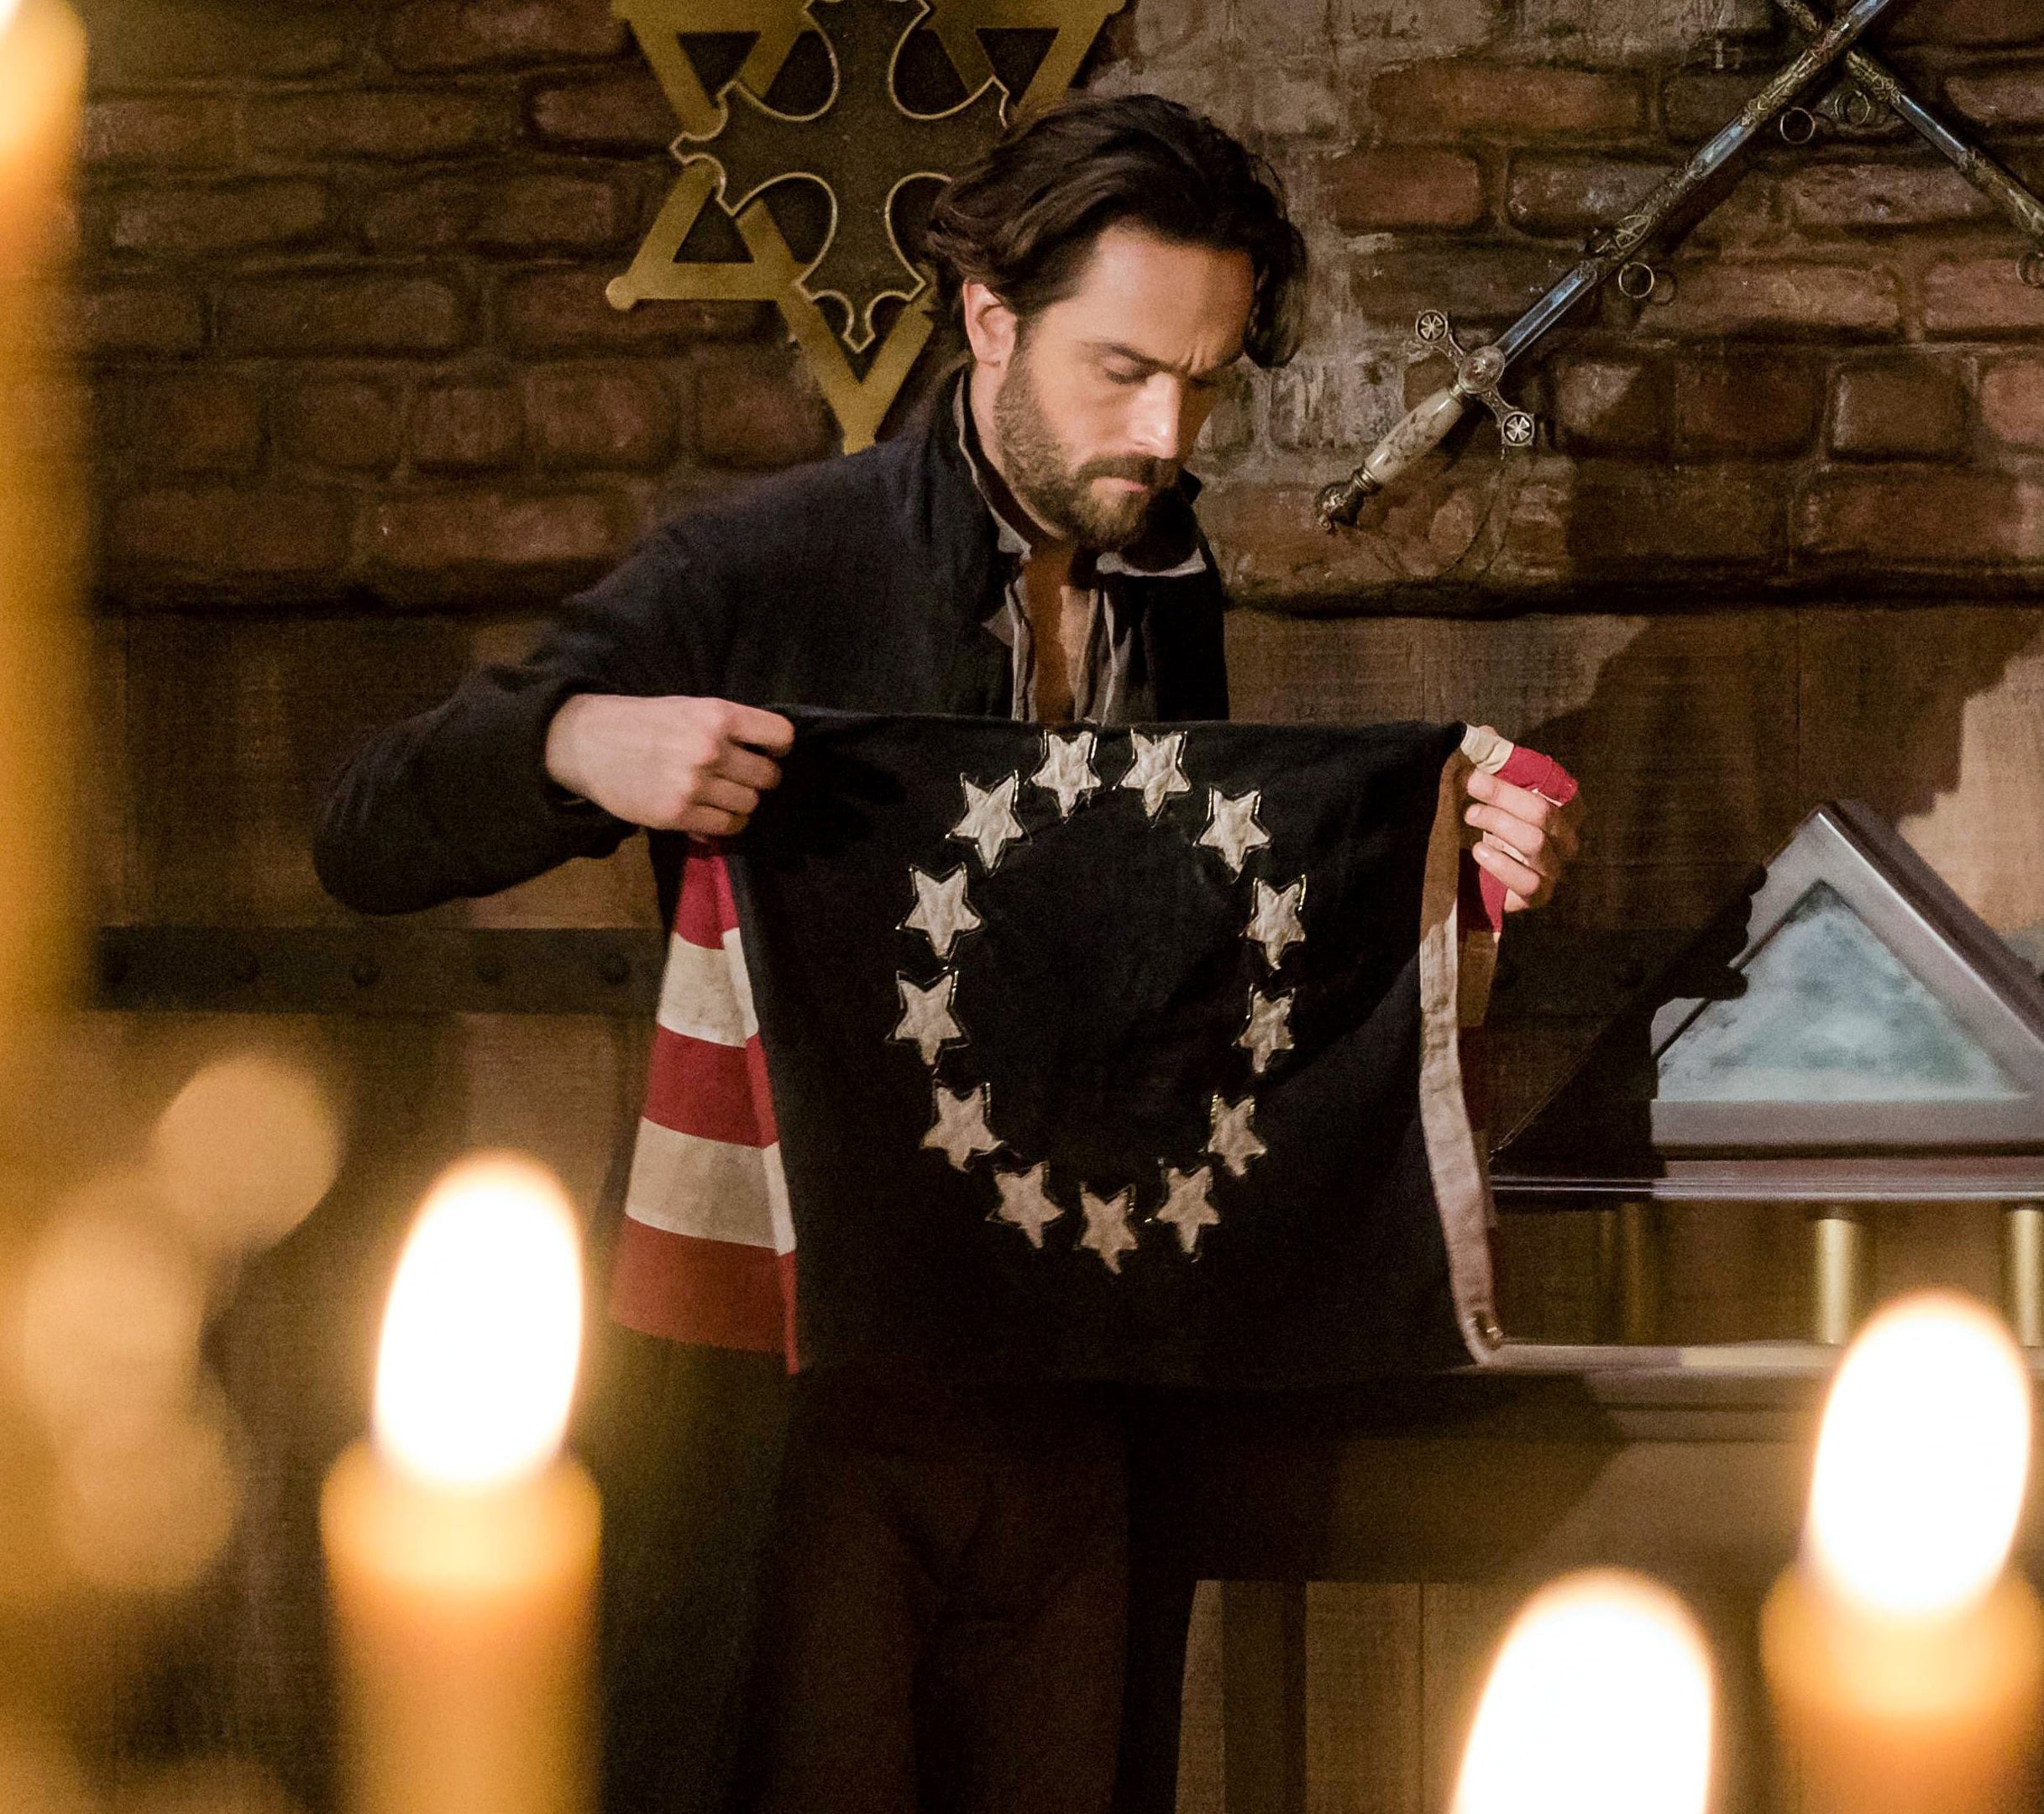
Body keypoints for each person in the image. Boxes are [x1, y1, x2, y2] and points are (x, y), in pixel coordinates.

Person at [314, 97, 1578, 1814]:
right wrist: (577, 743)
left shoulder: (1166, 582)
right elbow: (366, 829)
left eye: (1205, 384)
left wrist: (1452, 863)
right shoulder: (767, 564)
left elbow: (1179, 963)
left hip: (1077, 1389)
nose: (1164, 431)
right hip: (808, 1398)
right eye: (1120, 371)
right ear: (989, 317)